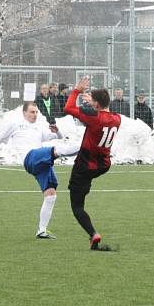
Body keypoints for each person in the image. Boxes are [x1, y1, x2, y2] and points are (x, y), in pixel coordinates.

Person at [0, 102, 78, 239]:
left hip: (41, 163)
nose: (34, 115)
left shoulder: (39, 128)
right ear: (24, 113)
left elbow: (58, 136)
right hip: (30, 158)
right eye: (32, 112)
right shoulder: (16, 124)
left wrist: (57, 130)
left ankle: (41, 230)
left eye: (36, 112)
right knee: (57, 150)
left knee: (51, 195)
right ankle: (88, 148)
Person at [64, 77, 121, 251]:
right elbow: (103, 112)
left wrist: (77, 91)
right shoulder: (117, 118)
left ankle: (93, 234)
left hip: (85, 165)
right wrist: (93, 103)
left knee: (77, 206)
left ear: (96, 104)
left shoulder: (94, 117)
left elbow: (68, 108)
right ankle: (85, 188)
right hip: (103, 165)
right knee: (84, 186)